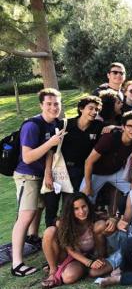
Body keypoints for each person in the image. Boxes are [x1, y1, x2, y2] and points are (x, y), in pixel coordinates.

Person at [11, 88, 63, 277]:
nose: (53, 107)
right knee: (26, 215)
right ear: (41, 105)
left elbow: (50, 152)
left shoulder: (55, 124)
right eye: (49, 104)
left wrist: (48, 172)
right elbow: (27, 157)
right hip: (27, 175)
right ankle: (17, 264)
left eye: (56, 103)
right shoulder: (32, 126)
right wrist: (50, 143)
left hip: (41, 174)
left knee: (38, 209)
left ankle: (33, 239)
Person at [43, 95, 104, 227]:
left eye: (97, 110)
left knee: (68, 208)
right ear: (81, 109)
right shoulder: (65, 125)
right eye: (91, 108)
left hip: (78, 173)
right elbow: (50, 151)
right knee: (51, 207)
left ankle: (66, 238)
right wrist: (47, 174)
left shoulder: (98, 127)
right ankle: (51, 237)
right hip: (58, 170)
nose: (94, 112)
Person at [40, 193, 107, 288]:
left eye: (84, 206)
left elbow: (112, 218)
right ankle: (53, 270)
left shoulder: (95, 217)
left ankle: (82, 268)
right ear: (70, 211)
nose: (81, 211)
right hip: (70, 255)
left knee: (68, 278)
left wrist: (114, 220)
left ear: (88, 205)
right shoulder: (63, 223)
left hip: (88, 256)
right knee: (49, 231)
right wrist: (89, 263)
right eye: (76, 209)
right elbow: (70, 250)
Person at [81, 111, 132, 204]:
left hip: (116, 173)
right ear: (123, 127)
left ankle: (129, 214)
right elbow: (89, 161)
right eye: (130, 126)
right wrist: (88, 185)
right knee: (84, 199)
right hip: (96, 173)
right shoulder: (110, 138)